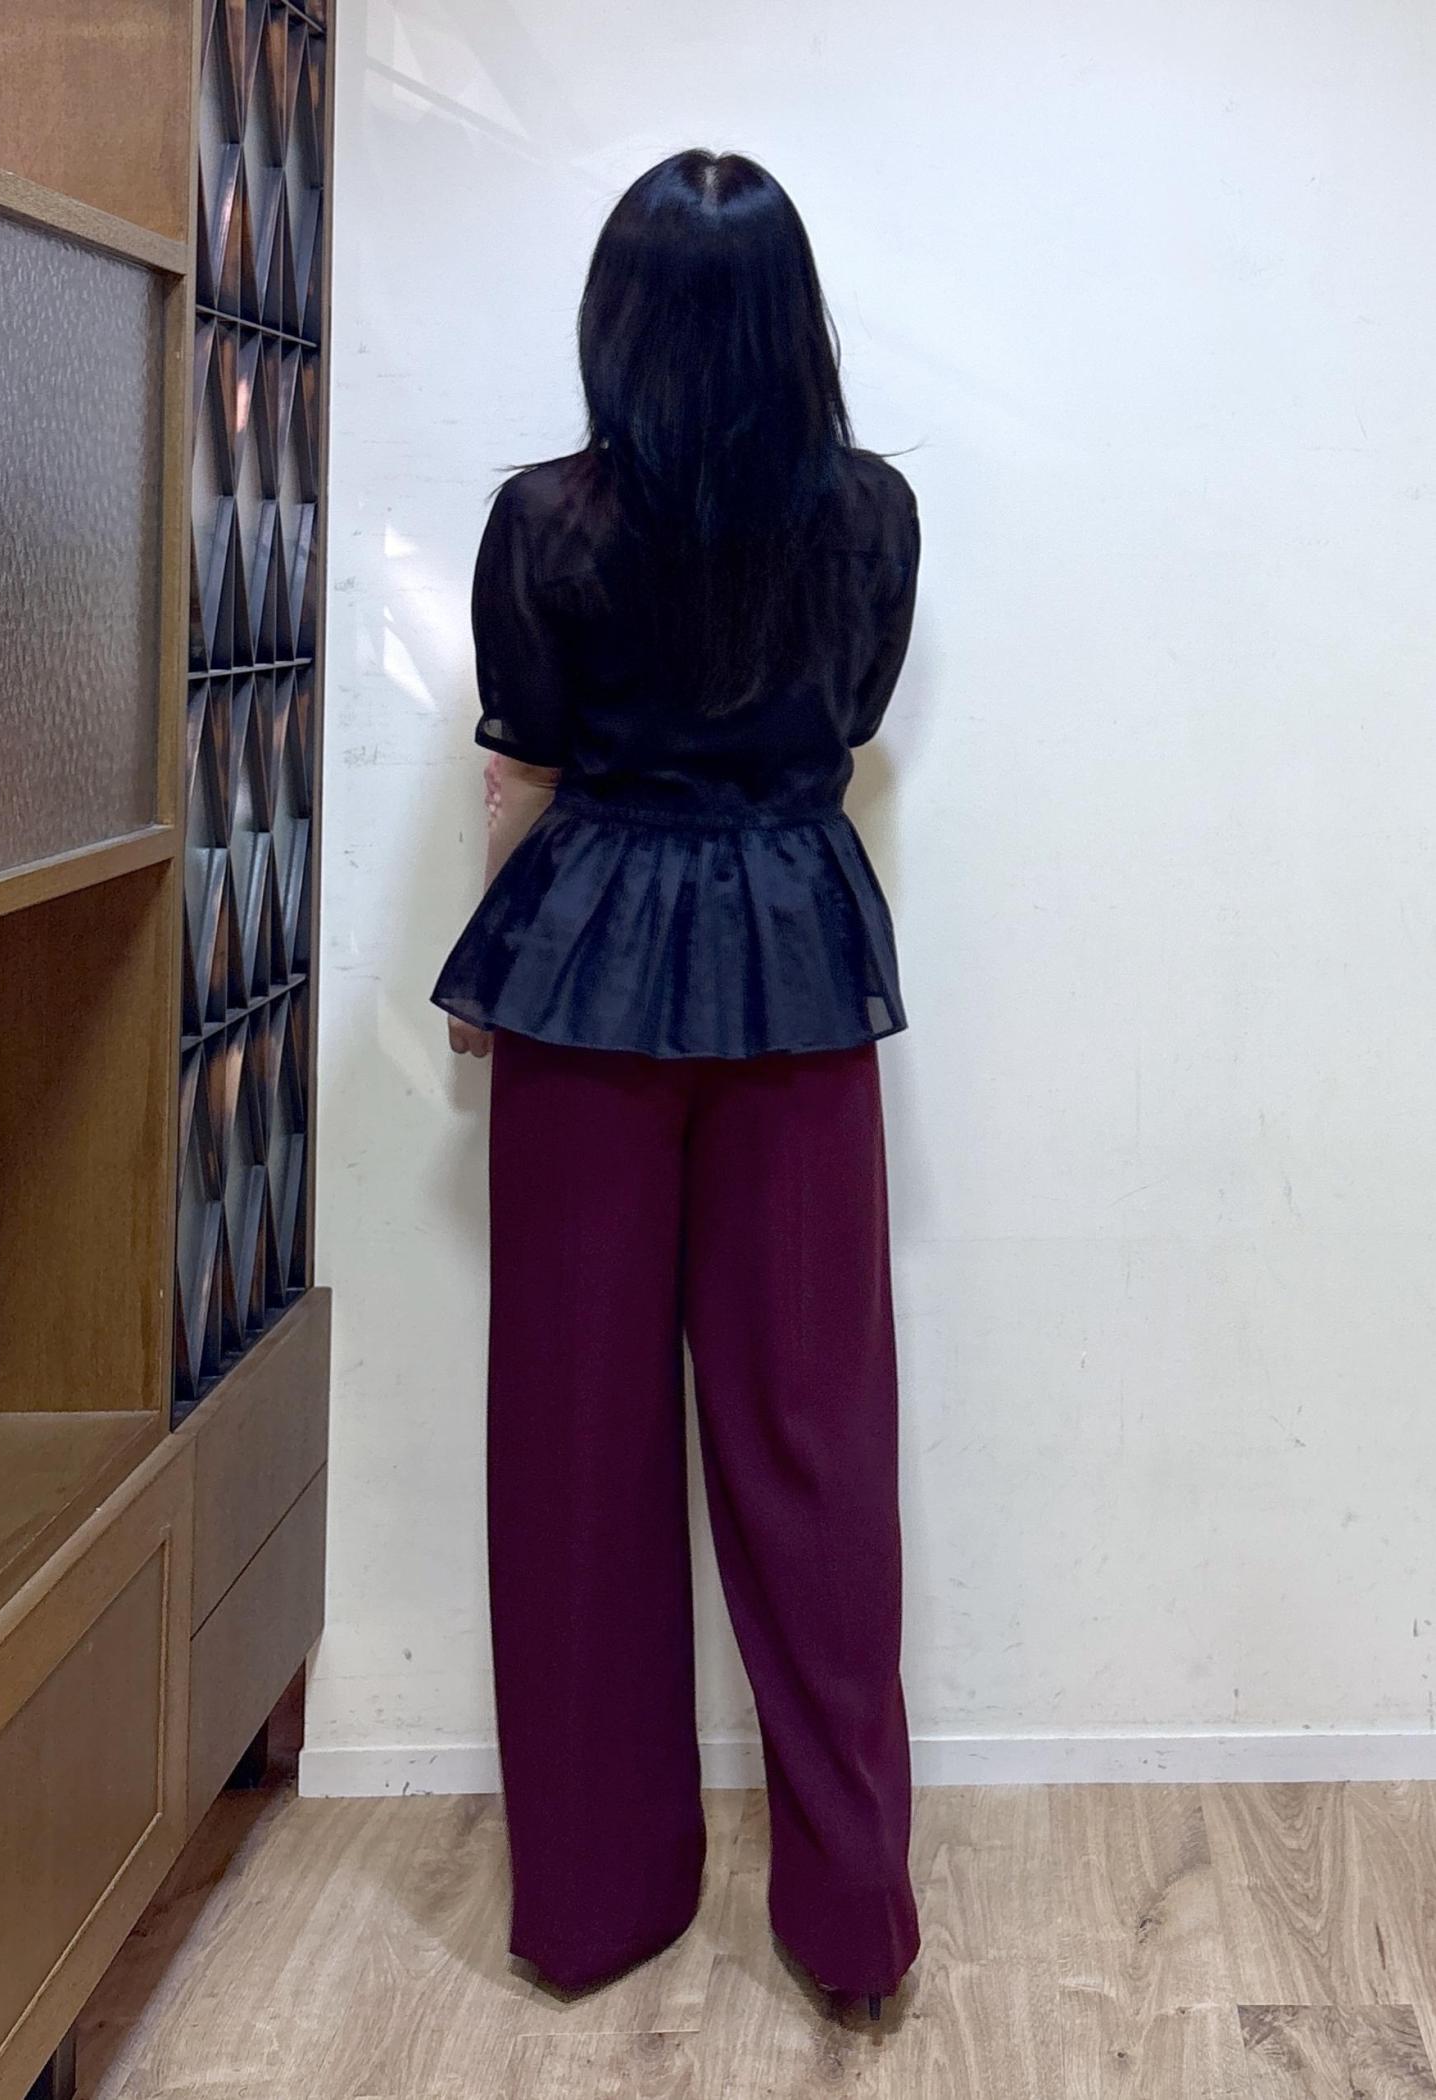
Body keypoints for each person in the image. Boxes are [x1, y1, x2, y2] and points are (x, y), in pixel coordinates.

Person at [432, 148, 921, 2020]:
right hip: (795, 963)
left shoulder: (544, 522)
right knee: (817, 1443)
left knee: (575, 1444)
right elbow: (849, 725)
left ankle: (593, 1905)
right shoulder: (871, 519)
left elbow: (526, 768)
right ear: (797, 320)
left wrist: (486, 986)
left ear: (618, 322)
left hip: (587, 978)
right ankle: (852, 1926)